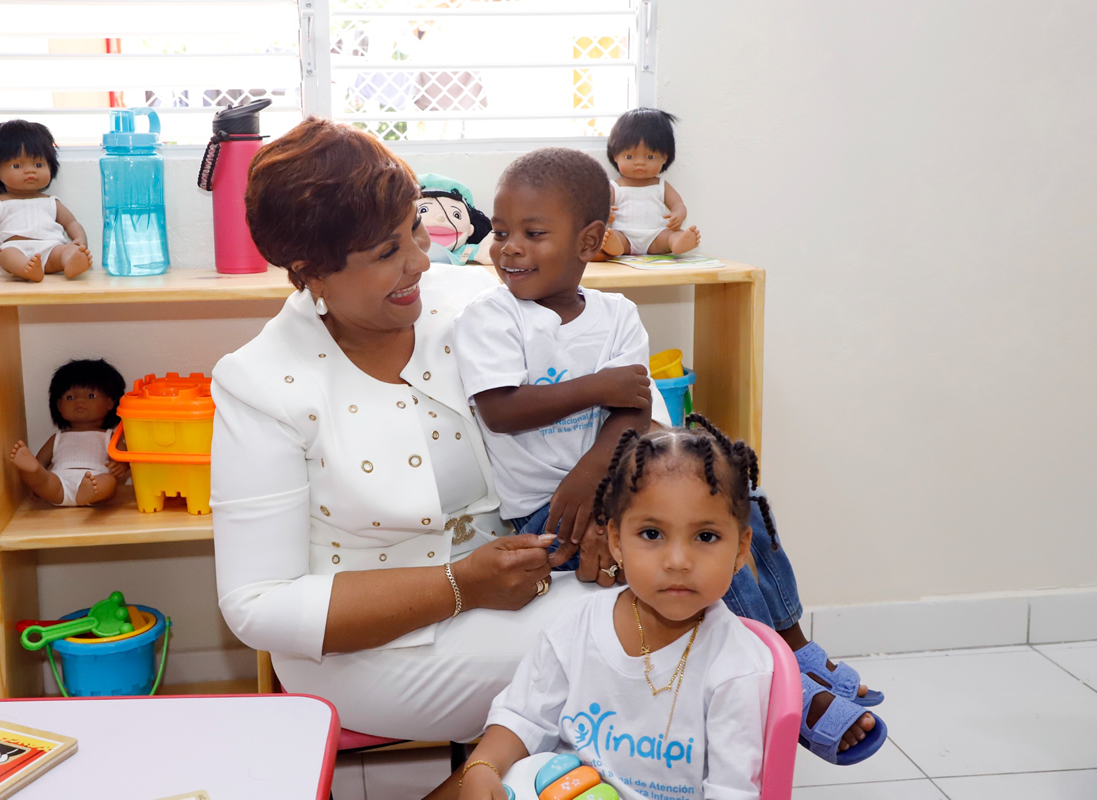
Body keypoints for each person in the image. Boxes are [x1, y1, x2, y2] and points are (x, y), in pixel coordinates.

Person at [209, 120, 633, 771]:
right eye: (385, 253)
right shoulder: (261, 381)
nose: (419, 260)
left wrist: (606, 487)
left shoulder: (475, 302)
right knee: (647, 639)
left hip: (530, 578)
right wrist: (460, 584)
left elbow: (640, 402)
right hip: (372, 651)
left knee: (675, 594)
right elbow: (257, 605)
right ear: (309, 272)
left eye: (414, 226)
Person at [460, 424, 887, 800]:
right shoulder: (575, 626)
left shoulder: (739, 668)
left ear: (740, 549)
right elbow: (523, 715)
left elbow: (731, 791)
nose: (678, 560)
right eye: (652, 533)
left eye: (705, 536)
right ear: (615, 541)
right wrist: (482, 769)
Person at [453, 148, 668, 556]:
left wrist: (594, 475)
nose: (509, 248)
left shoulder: (618, 314)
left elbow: (634, 407)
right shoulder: (490, 317)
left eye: (533, 234)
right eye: (500, 233)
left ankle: (777, 623)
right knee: (670, 550)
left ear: (587, 241)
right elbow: (501, 411)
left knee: (732, 504)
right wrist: (598, 388)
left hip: (613, 486)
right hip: (544, 511)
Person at [0, 120, 93, 282]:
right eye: (16, 166)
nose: (30, 171)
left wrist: (79, 240)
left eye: (38, 164)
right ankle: (25, 269)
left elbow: (71, 223)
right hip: (15, 248)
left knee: (65, 250)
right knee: (6, 255)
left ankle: (71, 261)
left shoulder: (51, 202)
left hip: (51, 247)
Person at [9, 358, 129, 507]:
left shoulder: (109, 437)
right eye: (70, 397)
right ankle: (33, 476)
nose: (79, 402)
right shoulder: (58, 438)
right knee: (45, 479)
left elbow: (126, 458)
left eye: (90, 396)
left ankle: (89, 492)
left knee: (109, 481)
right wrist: (35, 475)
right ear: (59, 405)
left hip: (95, 479)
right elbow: (40, 461)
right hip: (60, 482)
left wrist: (123, 466)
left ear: (110, 403)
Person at [598, 107, 701, 259]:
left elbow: (678, 204)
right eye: (629, 156)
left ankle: (679, 242)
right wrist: (605, 214)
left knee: (672, 235)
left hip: (657, 235)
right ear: (615, 156)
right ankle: (615, 246)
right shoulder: (614, 187)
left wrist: (678, 214)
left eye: (650, 157)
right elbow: (600, 208)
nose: (640, 163)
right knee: (614, 235)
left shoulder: (661, 185)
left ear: (665, 157)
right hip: (625, 234)